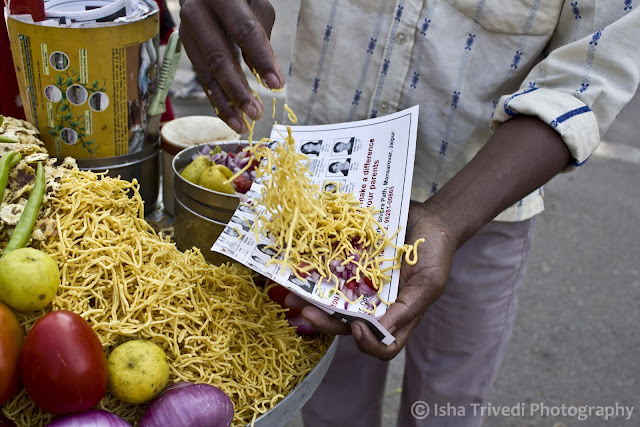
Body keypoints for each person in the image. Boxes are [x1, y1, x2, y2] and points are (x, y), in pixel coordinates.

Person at [178, 1, 640, 426]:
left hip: (485, 205)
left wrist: (448, 220)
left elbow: (586, 75)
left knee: (446, 404)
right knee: (329, 398)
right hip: (319, 196)